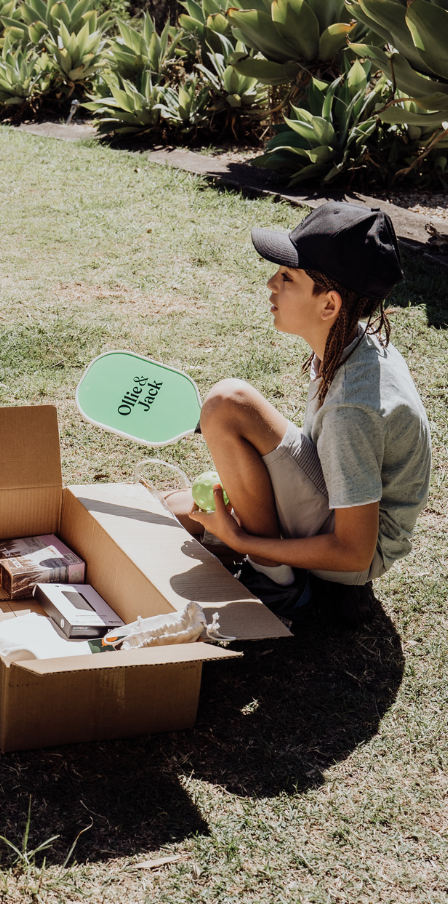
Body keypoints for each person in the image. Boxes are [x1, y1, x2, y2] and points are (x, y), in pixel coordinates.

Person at [166, 202, 431, 624]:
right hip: (340, 510)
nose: (271, 283)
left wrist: (245, 539)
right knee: (174, 508)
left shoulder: (353, 408)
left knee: (226, 402)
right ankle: (251, 543)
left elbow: (353, 551)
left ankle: (277, 584)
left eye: (287, 276)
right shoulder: (349, 339)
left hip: (356, 552)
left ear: (329, 305)